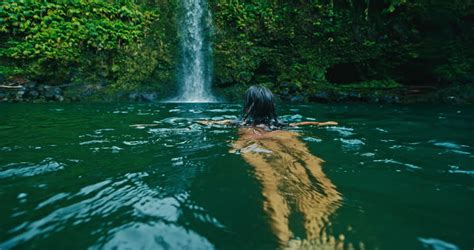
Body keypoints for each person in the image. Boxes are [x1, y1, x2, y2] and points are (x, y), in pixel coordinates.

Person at [199, 86, 343, 248]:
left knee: (270, 182)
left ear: (247, 106)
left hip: (251, 139)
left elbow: (214, 123)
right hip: (283, 135)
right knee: (312, 167)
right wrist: (321, 123)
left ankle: (285, 239)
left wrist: (206, 122)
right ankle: (329, 199)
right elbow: (303, 123)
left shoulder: (240, 123)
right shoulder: (282, 124)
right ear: (271, 105)